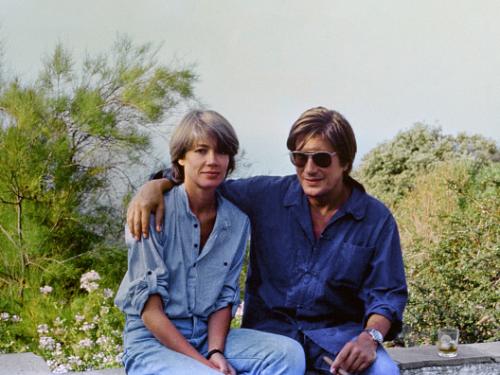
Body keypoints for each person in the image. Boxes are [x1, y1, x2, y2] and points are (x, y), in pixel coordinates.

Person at [127, 107, 408, 374]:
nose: (309, 168)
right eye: (300, 158)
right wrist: (155, 186)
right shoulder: (266, 196)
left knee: (384, 370)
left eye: (321, 158)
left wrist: (369, 338)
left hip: (336, 339)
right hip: (272, 333)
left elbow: (388, 294)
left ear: (345, 162)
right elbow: (204, 182)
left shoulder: (375, 219)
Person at [115, 110, 305, 375]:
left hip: (206, 336)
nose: (212, 161)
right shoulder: (151, 211)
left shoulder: (237, 221)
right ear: (181, 157)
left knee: (288, 354)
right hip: (152, 343)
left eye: (221, 152)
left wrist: (215, 351)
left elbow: (225, 298)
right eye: (201, 151)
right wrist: (205, 365)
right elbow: (150, 313)